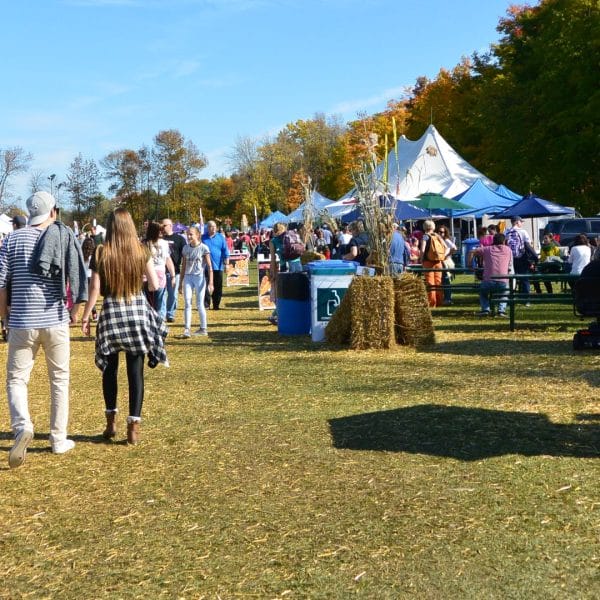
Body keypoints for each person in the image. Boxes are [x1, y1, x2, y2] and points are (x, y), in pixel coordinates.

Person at [0, 191, 87, 468]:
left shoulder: (11, 240)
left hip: (22, 321)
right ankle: (58, 439)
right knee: (59, 380)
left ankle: (23, 425)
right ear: (52, 211)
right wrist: (75, 310)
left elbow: (2, 283)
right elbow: (76, 274)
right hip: (55, 318)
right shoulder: (62, 236)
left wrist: (3, 316)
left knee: (16, 379)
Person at [81, 208, 168, 445]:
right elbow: (154, 284)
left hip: (111, 313)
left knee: (110, 370)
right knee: (135, 372)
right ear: (130, 226)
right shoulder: (141, 250)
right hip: (137, 311)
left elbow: (95, 290)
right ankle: (133, 428)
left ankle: (110, 423)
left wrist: (86, 316)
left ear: (110, 227)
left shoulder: (101, 252)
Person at [178, 226, 213, 338]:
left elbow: (209, 266)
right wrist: (180, 283)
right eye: (188, 234)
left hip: (199, 277)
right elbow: (183, 266)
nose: (189, 236)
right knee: (187, 302)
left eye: (191, 234)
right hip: (188, 277)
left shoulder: (203, 248)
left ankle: (203, 328)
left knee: (199, 303)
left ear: (197, 235)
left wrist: (211, 282)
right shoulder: (185, 248)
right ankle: (187, 329)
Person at [468, 232, 513, 317]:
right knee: (504, 292)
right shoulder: (508, 250)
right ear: (504, 242)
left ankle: (485, 309)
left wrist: (470, 265)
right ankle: (501, 310)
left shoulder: (487, 249)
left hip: (488, 281)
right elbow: (510, 265)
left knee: (483, 292)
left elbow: (471, 252)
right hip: (503, 280)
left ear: (493, 241)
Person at [143, 221, 175, 318]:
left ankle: (158, 322)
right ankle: (149, 321)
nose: (162, 232)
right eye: (160, 230)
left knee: (159, 301)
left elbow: (167, 260)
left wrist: (173, 276)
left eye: (162, 230)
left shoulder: (164, 244)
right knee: (147, 302)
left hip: (160, 274)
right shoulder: (144, 243)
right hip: (146, 275)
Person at [161, 218, 186, 323]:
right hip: (161, 271)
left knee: (173, 295)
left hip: (174, 271)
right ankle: (161, 315)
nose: (162, 228)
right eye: (161, 226)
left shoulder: (179, 239)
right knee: (162, 294)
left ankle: (170, 314)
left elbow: (184, 254)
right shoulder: (160, 238)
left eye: (164, 226)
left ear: (170, 226)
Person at [202, 220, 230, 310]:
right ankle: (206, 304)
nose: (213, 228)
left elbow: (225, 251)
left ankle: (216, 304)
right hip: (205, 267)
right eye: (210, 226)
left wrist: (227, 264)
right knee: (204, 285)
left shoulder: (221, 237)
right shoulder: (203, 238)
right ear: (207, 228)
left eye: (214, 226)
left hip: (218, 266)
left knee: (218, 286)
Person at [504, 216, 532, 299]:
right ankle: (526, 299)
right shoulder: (523, 232)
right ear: (516, 222)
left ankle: (511, 296)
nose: (521, 223)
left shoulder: (506, 231)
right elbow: (528, 245)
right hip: (521, 258)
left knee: (511, 278)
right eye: (521, 222)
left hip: (509, 259)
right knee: (524, 278)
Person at [420, 220, 444, 307]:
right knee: (438, 282)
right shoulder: (437, 236)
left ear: (425, 227)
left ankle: (432, 303)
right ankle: (440, 301)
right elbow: (445, 246)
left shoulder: (425, 236)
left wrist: (421, 259)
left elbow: (422, 249)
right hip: (438, 261)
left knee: (430, 283)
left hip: (428, 262)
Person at [437, 225, 457, 305]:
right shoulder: (438, 240)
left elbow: (454, 248)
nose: (440, 233)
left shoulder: (446, 240)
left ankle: (448, 298)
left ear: (445, 233)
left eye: (442, 232)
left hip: (445, 262)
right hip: (441, 262)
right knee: (443, 280)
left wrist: (447, 255)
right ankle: (445, 298)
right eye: (438, 231)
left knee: (446, 280)